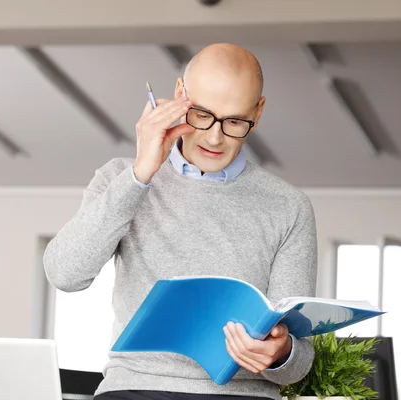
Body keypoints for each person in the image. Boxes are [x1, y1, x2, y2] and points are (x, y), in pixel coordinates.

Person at [43, 43, 318, 400]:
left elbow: (299, 362)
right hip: (136, 389)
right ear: (179, 95)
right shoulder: (120, 178)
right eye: (202, 114)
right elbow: (65, 274)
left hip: (243, 395)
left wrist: (282, 353)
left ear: (258, 111)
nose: (215, 137)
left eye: (235, 121)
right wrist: (141, 173)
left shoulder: (288, 206)